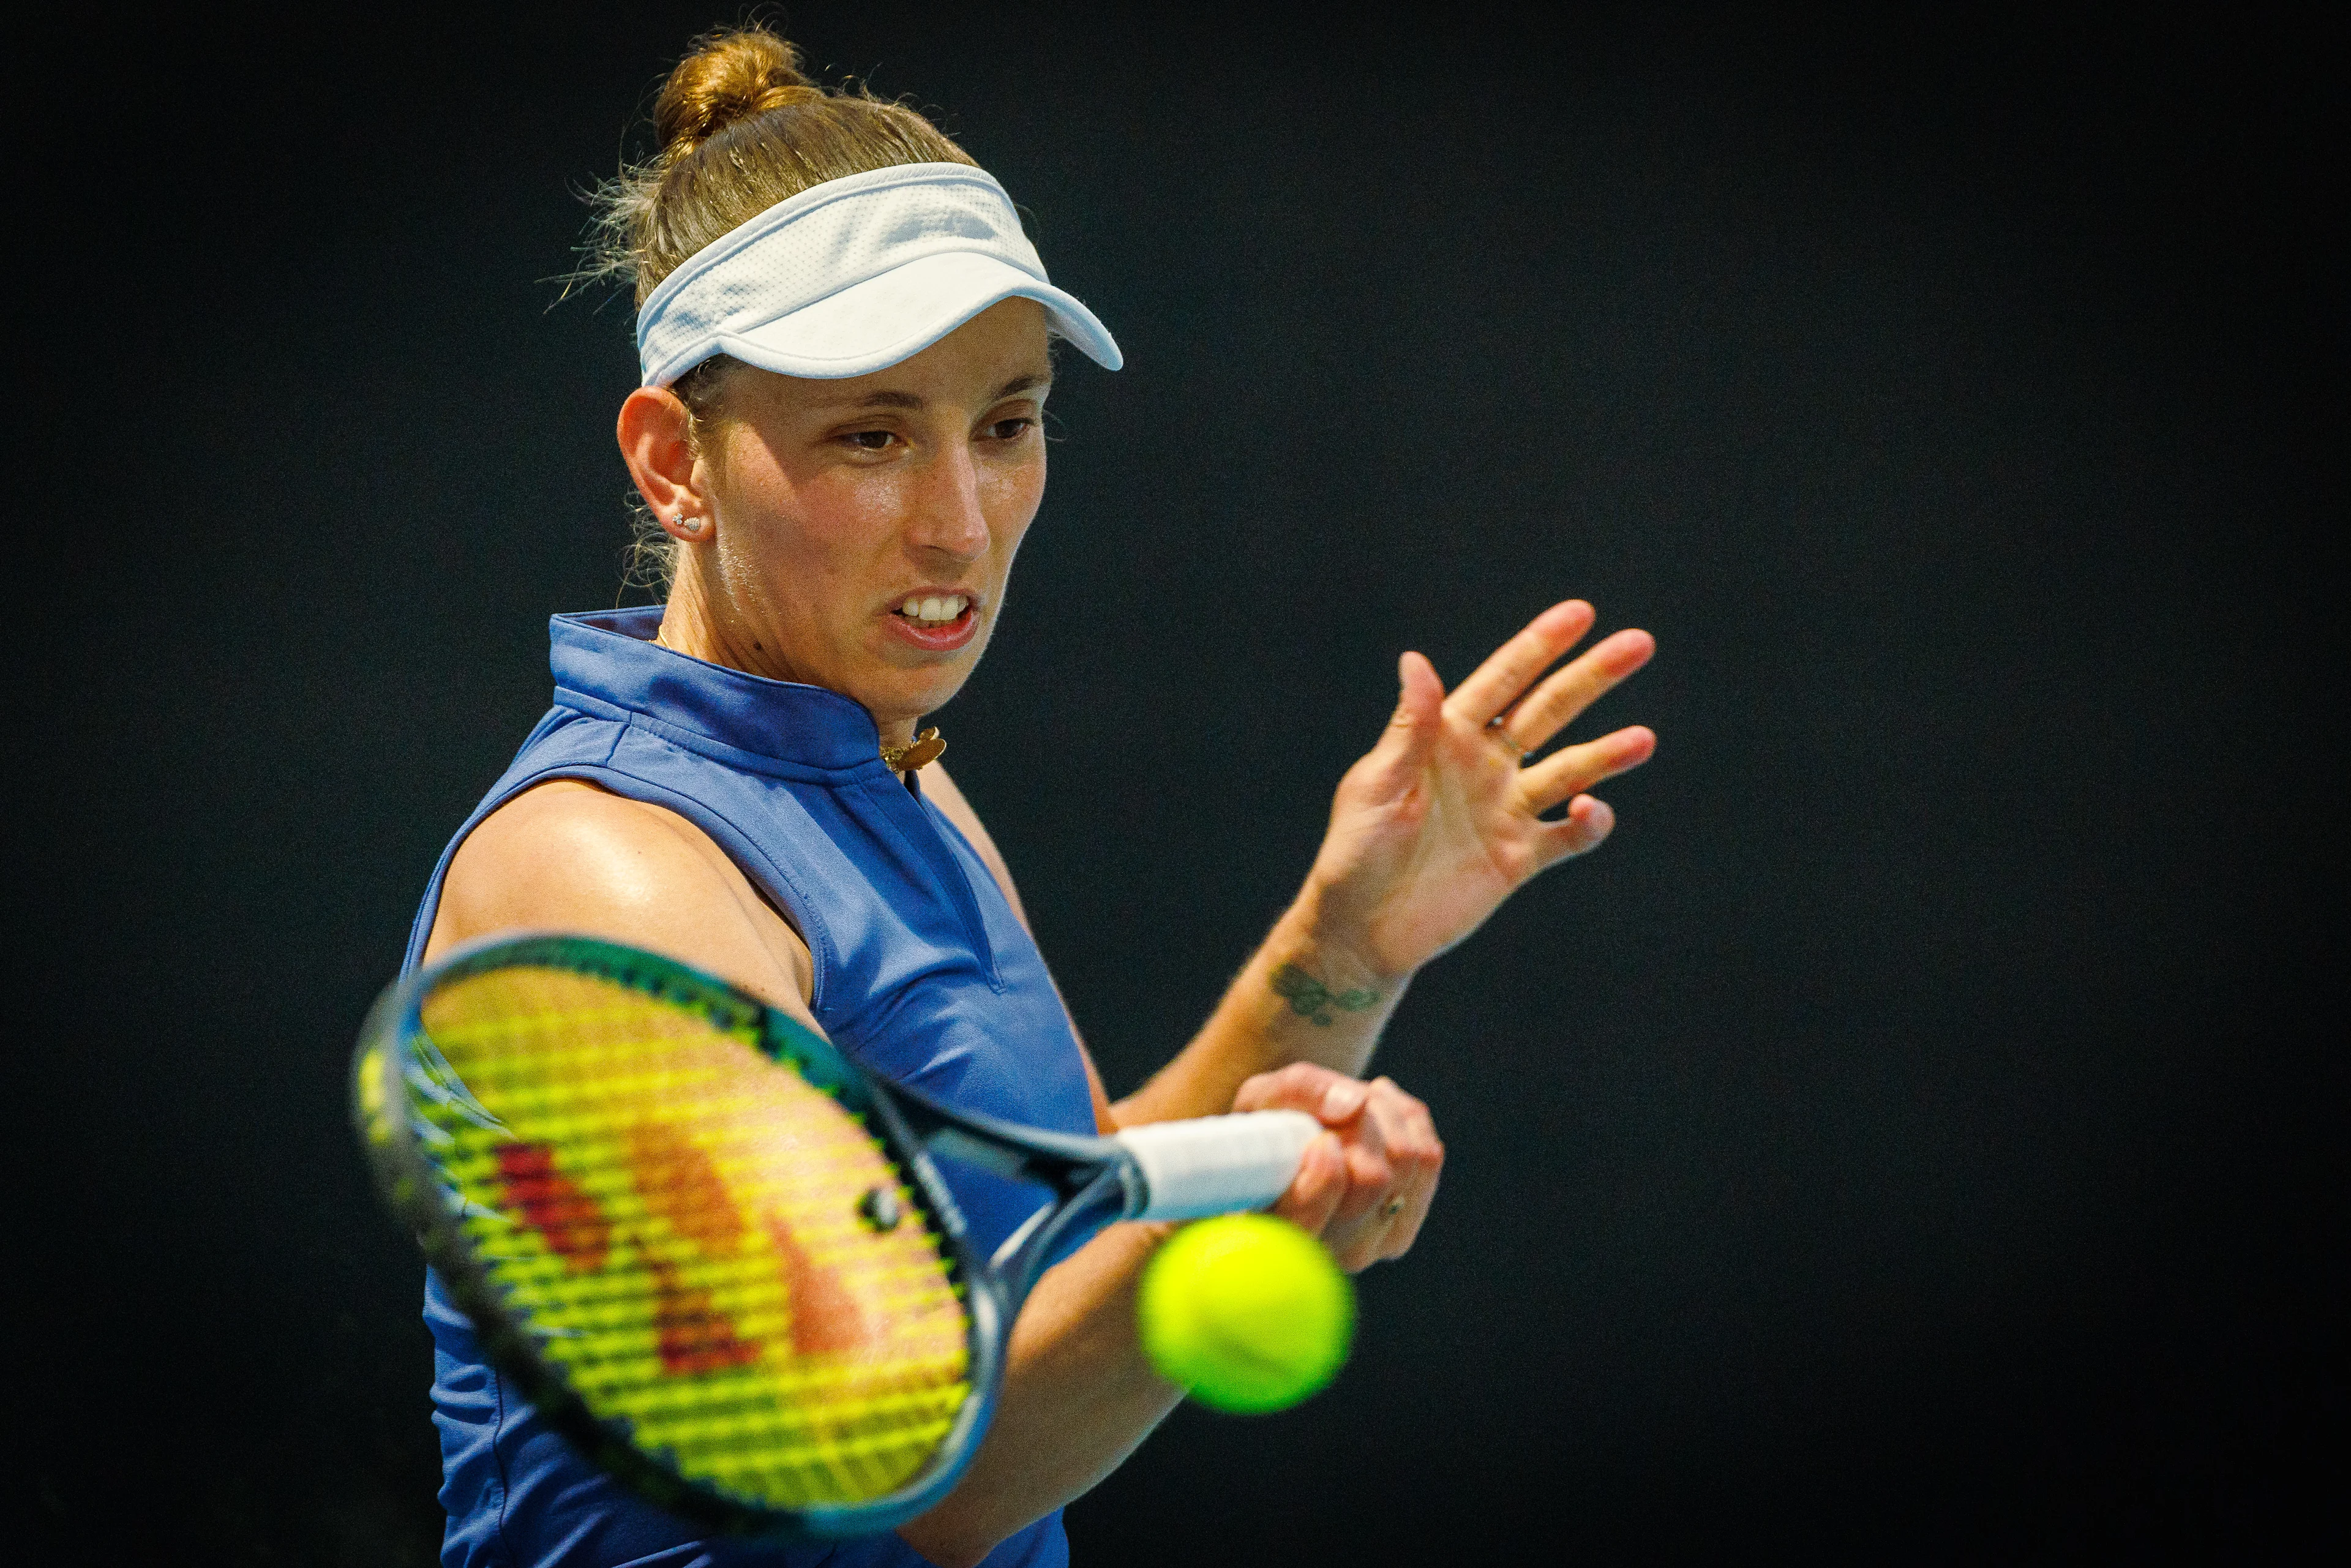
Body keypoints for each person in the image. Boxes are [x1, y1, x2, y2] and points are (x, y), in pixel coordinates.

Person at [405, 24, 1657, 1568]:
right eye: (871, 434)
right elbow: (921, 1464)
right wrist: (1221, 1247)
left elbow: (1059, 1222)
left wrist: (1346, 947)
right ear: (676, 464)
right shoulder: (604, 873)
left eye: (1007, 423)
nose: (960, 524)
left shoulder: (896, 766)